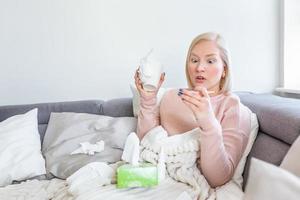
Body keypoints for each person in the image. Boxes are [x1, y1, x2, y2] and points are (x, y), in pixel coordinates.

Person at [134, 32, 252, 188]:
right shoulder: (171, 96)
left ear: (224, 69)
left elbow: (218, 178)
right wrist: (148, 101)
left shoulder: (232, 106)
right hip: (157, 179)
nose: (199, 68)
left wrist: (208, 124)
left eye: (210, 61)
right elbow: (148, 145)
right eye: (194, 60)